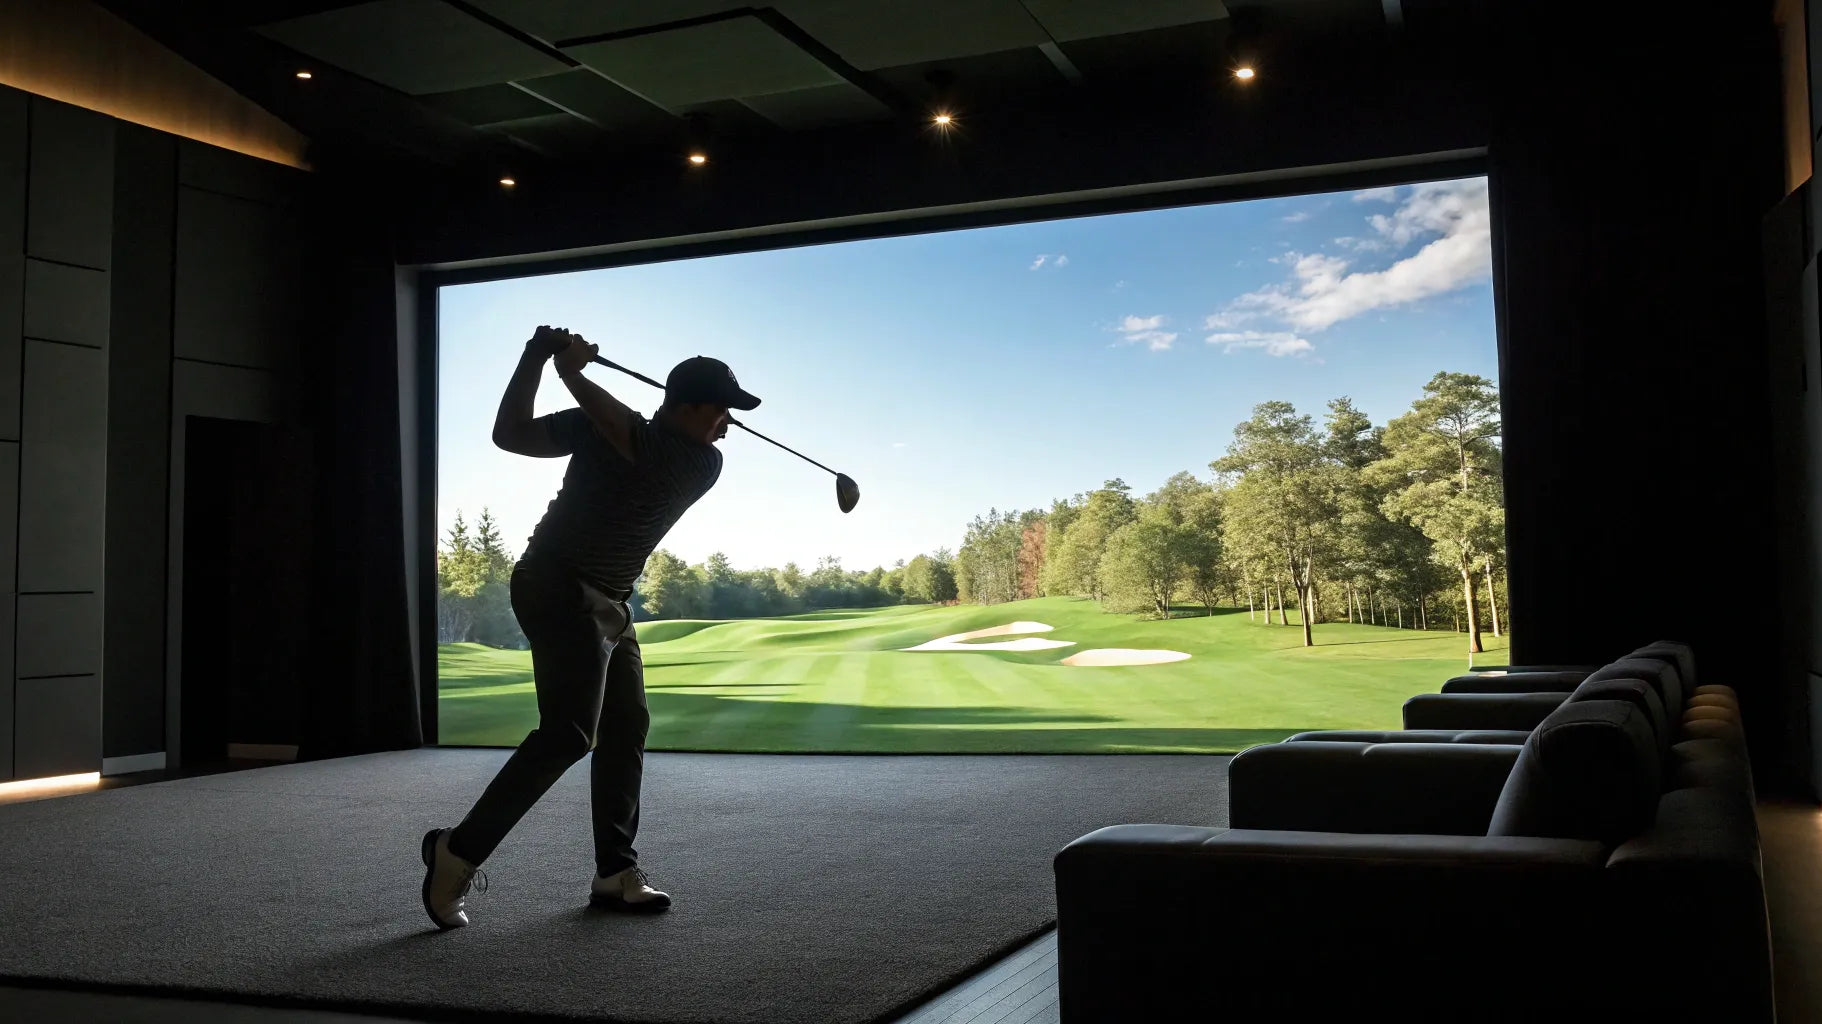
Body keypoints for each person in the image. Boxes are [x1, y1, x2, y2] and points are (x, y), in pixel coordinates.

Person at [420, 325, 760, 930]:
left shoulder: (700, 461)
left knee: (626, 725)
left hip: (610, 602)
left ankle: (614, 872)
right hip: (553, 584)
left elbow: (627, 434)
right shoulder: (608, 425)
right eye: (721, 411)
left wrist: (572, 372)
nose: (727, 426)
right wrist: (534, 360)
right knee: (571, 732)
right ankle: (457, 853)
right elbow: (510, 434)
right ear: (685, 406)